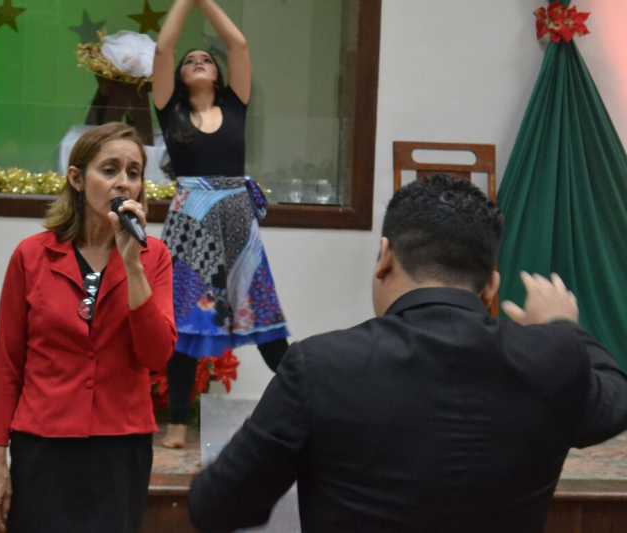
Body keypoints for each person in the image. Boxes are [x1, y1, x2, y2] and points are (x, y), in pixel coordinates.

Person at [188, 175, 627, 533]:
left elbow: (217, 506)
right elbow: (615, 400)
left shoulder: (320, 365)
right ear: (492, 286)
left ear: (384, 258)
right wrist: (563, 327)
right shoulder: (553, 362)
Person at [0, 122, 176, 533]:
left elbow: (157, 355)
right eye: (109, 170)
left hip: (120, 447)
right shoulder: (31, 256)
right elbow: (7, 365)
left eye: (134, 173)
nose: (123, 183)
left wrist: (132, 266)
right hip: (43, 444)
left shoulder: (153, 257)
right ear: (77, 179)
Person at [153, 0, 290, 449]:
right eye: (190, 61)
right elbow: (164, 48)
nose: (197, 61)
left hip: (236, 223)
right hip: (189, 227)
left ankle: (310, 403)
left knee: (263, 317)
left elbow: (239, 44)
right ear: (179, 77)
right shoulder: (169, 109)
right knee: (186, 326)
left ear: (218, 75)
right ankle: (176, 423)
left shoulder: (236, 104)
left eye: (206, 60)